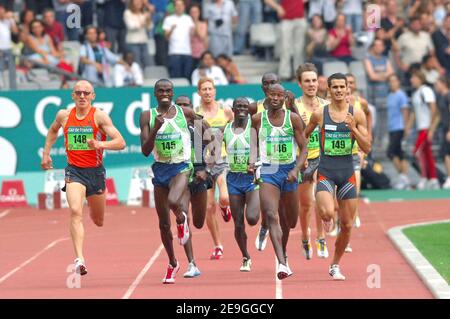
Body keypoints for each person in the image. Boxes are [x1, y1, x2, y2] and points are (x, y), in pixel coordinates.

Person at [40, 80, 126, 275]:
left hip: (95, 173)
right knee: (75, 211)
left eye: (86, 93)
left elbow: (121, 142)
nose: (82, 96)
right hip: (74, 171)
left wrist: (99, 144)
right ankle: (80, 259)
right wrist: (46, 154)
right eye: (78, 93)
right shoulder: (64, 115)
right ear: (72, 95)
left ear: (93, 96)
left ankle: (91, 206)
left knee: (98, 220)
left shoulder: (99, 116)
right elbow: (53, 131)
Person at [305, 73, 371, 280]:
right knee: (326, 213)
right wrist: (304, 158)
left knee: (348, 225)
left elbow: (367, 147)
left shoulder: (357, 114)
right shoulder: (319, 114)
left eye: (343, 87)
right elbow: (304, 136)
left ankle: (335, 264)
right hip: (326, 170)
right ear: (329, 90)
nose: (339, 90)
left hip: (347, 173)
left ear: (347, 89)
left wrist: (352, 129)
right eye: (335, 87)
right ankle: (326, 221)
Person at [140, 79, 199, 283]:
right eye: (161, 90)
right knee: (164, 224)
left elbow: (205, 131)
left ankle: (182, 221)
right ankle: (173, 263)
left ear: (172, 93)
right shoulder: (147, 116)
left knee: (174, 202)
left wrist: (202, 163)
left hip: (181, 166)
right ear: (155, 93)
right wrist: (155, 128)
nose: (165, 93)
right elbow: (146, 151)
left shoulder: (186, 113)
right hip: (160, 169)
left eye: (168, 90)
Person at [252, 83, 308, 279]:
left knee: (291, 221)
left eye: (279, 95)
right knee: (271, 213)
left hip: (289, 170)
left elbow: (304, 148)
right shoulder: (258, 120)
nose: (275, 98)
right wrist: (253, 161)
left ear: (284, 98)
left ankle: (283, 252)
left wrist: (296, 168)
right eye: (272, 95)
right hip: (268, 170)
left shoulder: (293, 120)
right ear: (266, 96)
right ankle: (282, 264)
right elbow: (253, 143)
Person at [195, 77, 234, 259]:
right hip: (205, 163)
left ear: (215, 91)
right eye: (204, 89)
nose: (208, 92)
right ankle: (218, 245)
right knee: (209, 207)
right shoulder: (196, 114)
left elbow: (236, 131)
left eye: (210, 89)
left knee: (224, 197)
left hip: (223, 159)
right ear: (199, 92)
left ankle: (225, 207)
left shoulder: (225, 112)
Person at [294, 63, 330, 260]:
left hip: (323, 158)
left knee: (319, 198)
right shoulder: (295, 108)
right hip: (303, 160)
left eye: (314, 80)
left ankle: (321, 237)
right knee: (306, 204)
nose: (311, 84)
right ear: (300, 84)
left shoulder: (326, 106)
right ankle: (305, 235)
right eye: (307, 81)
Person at [222, 97, 260, 271]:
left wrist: (256, 161)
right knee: (238, 223)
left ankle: (265, 225)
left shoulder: (255, 127)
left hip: (251, 179)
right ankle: (245, 256)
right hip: (234, 179)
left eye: (245, 106)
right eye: (239, 107)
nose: (242, 109)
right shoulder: (226, 129)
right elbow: (212, 148)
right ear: (233, 109)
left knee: (252, 218)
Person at [175, 95, 212, 232]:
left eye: (186, 105)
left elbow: (215, 149)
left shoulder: (201, 124)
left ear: (191, 107)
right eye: (179, 105)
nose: (183, 108)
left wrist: (206, 170)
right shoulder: (171, 124)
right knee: (183, 213)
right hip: (180, 172)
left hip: (199, 172)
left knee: (198, 222)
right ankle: (182, 226)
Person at [345, 73, 372, 242]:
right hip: (338, 152)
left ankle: (353, 212)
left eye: (351, 83)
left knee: (355, 186)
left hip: (356, 149)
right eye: (346, 83)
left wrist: (368, 136)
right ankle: (344, 216)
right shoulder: (332, 104)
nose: (349, 85)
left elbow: (368, 115)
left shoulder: (360, 102)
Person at [406, 70, 440, 189]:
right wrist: (408, 127)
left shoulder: (426, 91)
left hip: (426, 128)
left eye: (413, 78)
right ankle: (433, 179)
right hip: (421, 129)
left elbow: (434, 109)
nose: (411, 80)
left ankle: (424, 178)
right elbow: (414, 113)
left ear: (420, 78)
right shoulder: (416, 93)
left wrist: (431, 129)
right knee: (427, 154)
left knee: (417, 152)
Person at [386, 74, 411, 190]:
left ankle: (403, 175)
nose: (392, 83)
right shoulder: (389, 95)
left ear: (398, 82)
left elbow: (405, 111)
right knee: (398, 153)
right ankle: (404, 177)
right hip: (392, 128)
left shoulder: (401, 95)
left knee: (390, 152)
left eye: (394, 81)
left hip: (399, 127)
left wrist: (406, 127)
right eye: (390, 81)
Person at [163, 0, 194, 79]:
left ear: (184, 7)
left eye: (181, 5)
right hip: (174, 52)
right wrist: (172, 29)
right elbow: (166, 37)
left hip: (187, 52)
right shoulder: (168, 19)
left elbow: (192, 35)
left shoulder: (188, 18)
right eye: (177, 5)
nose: (179, 7)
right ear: (174, 7)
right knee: (176, 78)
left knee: (187, 78)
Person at [434, 77, 450, 189]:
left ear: (443, 83)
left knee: (446, 153)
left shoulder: (448, 96)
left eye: (438, 83)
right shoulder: (441, 97)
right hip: (444, 128)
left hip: (448, 129)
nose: (436, 85)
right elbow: (439, 115)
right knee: (445, 153)